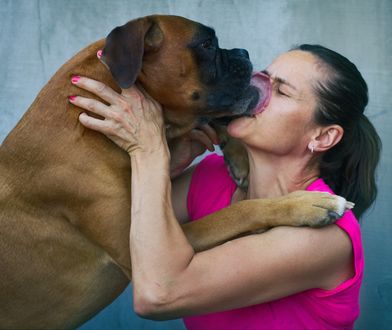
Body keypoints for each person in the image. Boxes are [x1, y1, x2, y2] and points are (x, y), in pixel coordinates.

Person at [69, 44, 381, 329]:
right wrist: (165, 166)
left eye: (282, 92)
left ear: (322, 137)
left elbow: (157, 295)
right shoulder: (210, 176)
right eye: (264, 78)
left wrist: (148, 150)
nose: (257, 91)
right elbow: (108, 234)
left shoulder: (324, 234)